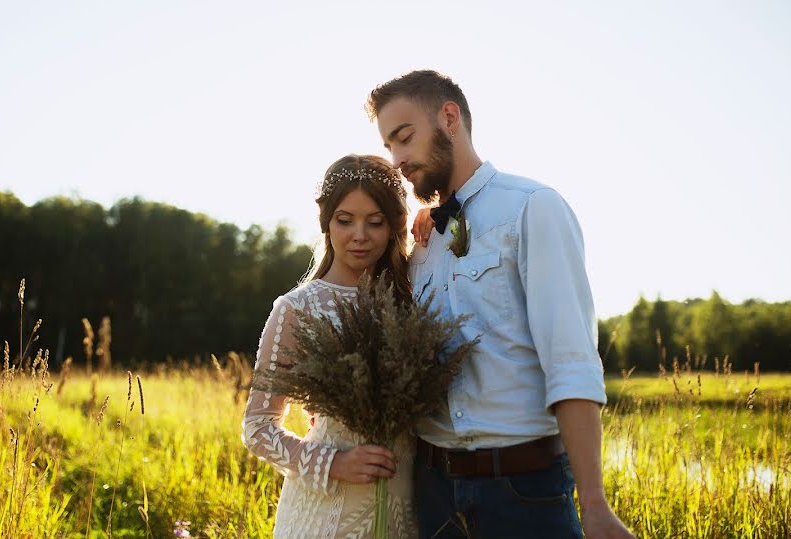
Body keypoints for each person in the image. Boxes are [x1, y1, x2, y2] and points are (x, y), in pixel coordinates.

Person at [367, 70, 635, 539]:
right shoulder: (421, 241)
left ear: (449, 118)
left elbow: (570, 361)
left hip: (523, 492)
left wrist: (594, 504)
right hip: (431, 493)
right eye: (388, 145)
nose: (396, 159)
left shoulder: (533, 207)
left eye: (403, 138)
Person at [241, 154, 418, 538]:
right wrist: (334, 463)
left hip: (406, 512)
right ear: (326, 222)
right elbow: (257, 428)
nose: (359, 235)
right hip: (324, 516)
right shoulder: (297, 308)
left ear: (393, 227)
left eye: (375, 222)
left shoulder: (413, 301)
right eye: (345, 220)